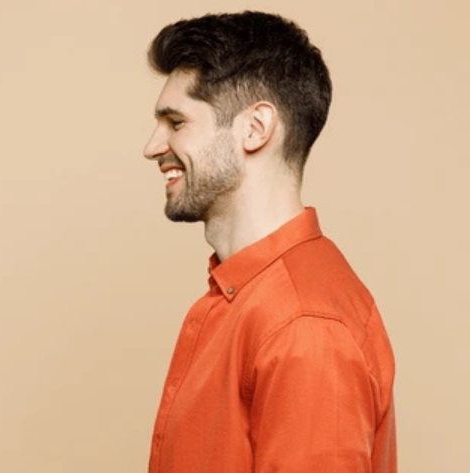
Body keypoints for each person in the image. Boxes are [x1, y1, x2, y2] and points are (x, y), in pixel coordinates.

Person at [141, 11, 396, 473]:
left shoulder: (303, 324)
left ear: (255, 128)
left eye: (176, 122)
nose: (152, 147)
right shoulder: (243, 296)